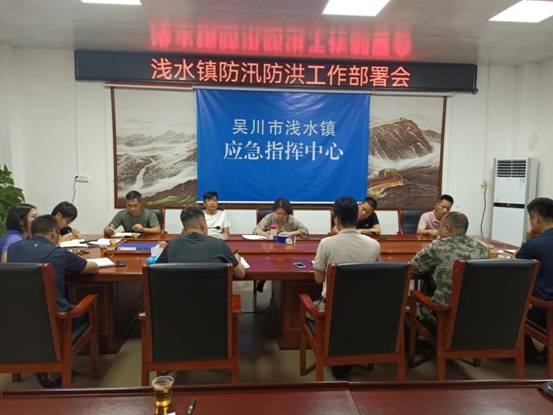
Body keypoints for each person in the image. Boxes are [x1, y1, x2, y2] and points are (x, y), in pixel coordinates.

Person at [7, 215, 98, 388]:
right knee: (86, 307)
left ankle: (35, 368)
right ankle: (58, 370)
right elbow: (91, 267)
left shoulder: (13, 248)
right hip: (56, 324)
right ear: (53, 233)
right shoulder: (58, 253)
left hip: (17, 323)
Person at [312, 196, 381, 379]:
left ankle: (332, 348)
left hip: (333, 307)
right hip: (364, 306)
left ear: (336, 219)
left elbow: (318, 279)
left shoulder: (327, 243)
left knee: (309, 307)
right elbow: (376, 274)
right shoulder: (374, 245)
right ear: (356, 218)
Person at [411, 211, 488, 325]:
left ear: (447, 229)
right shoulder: (482, 248)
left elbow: (414, 268)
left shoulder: (438, 246)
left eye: (439, 227)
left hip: (443, 314)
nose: (438, 230)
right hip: (476, 313)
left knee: (414, 300)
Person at [156, 206, 245, 279]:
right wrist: (236, 259)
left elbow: (156, 272)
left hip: (179, 295)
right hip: (214, 296)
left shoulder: (171, 245)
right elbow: (240, 274)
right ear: (203, 225)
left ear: (184, 229)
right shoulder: (220, 245)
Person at [516, 197, 553, 361]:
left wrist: (528, 240)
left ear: (535, 218)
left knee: (507, 297)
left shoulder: (534, 245)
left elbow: (512, 269)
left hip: (544, 312)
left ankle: (526, 352)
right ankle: (546, 352)